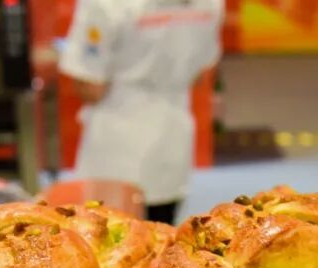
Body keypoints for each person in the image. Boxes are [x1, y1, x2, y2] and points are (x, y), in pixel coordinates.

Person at [59, 0, 225, 225]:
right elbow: (201, 73)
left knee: (110, 232)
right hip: (173, 137)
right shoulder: (211, 3)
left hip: (117, 145)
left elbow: (90, 85)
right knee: (164, 231)